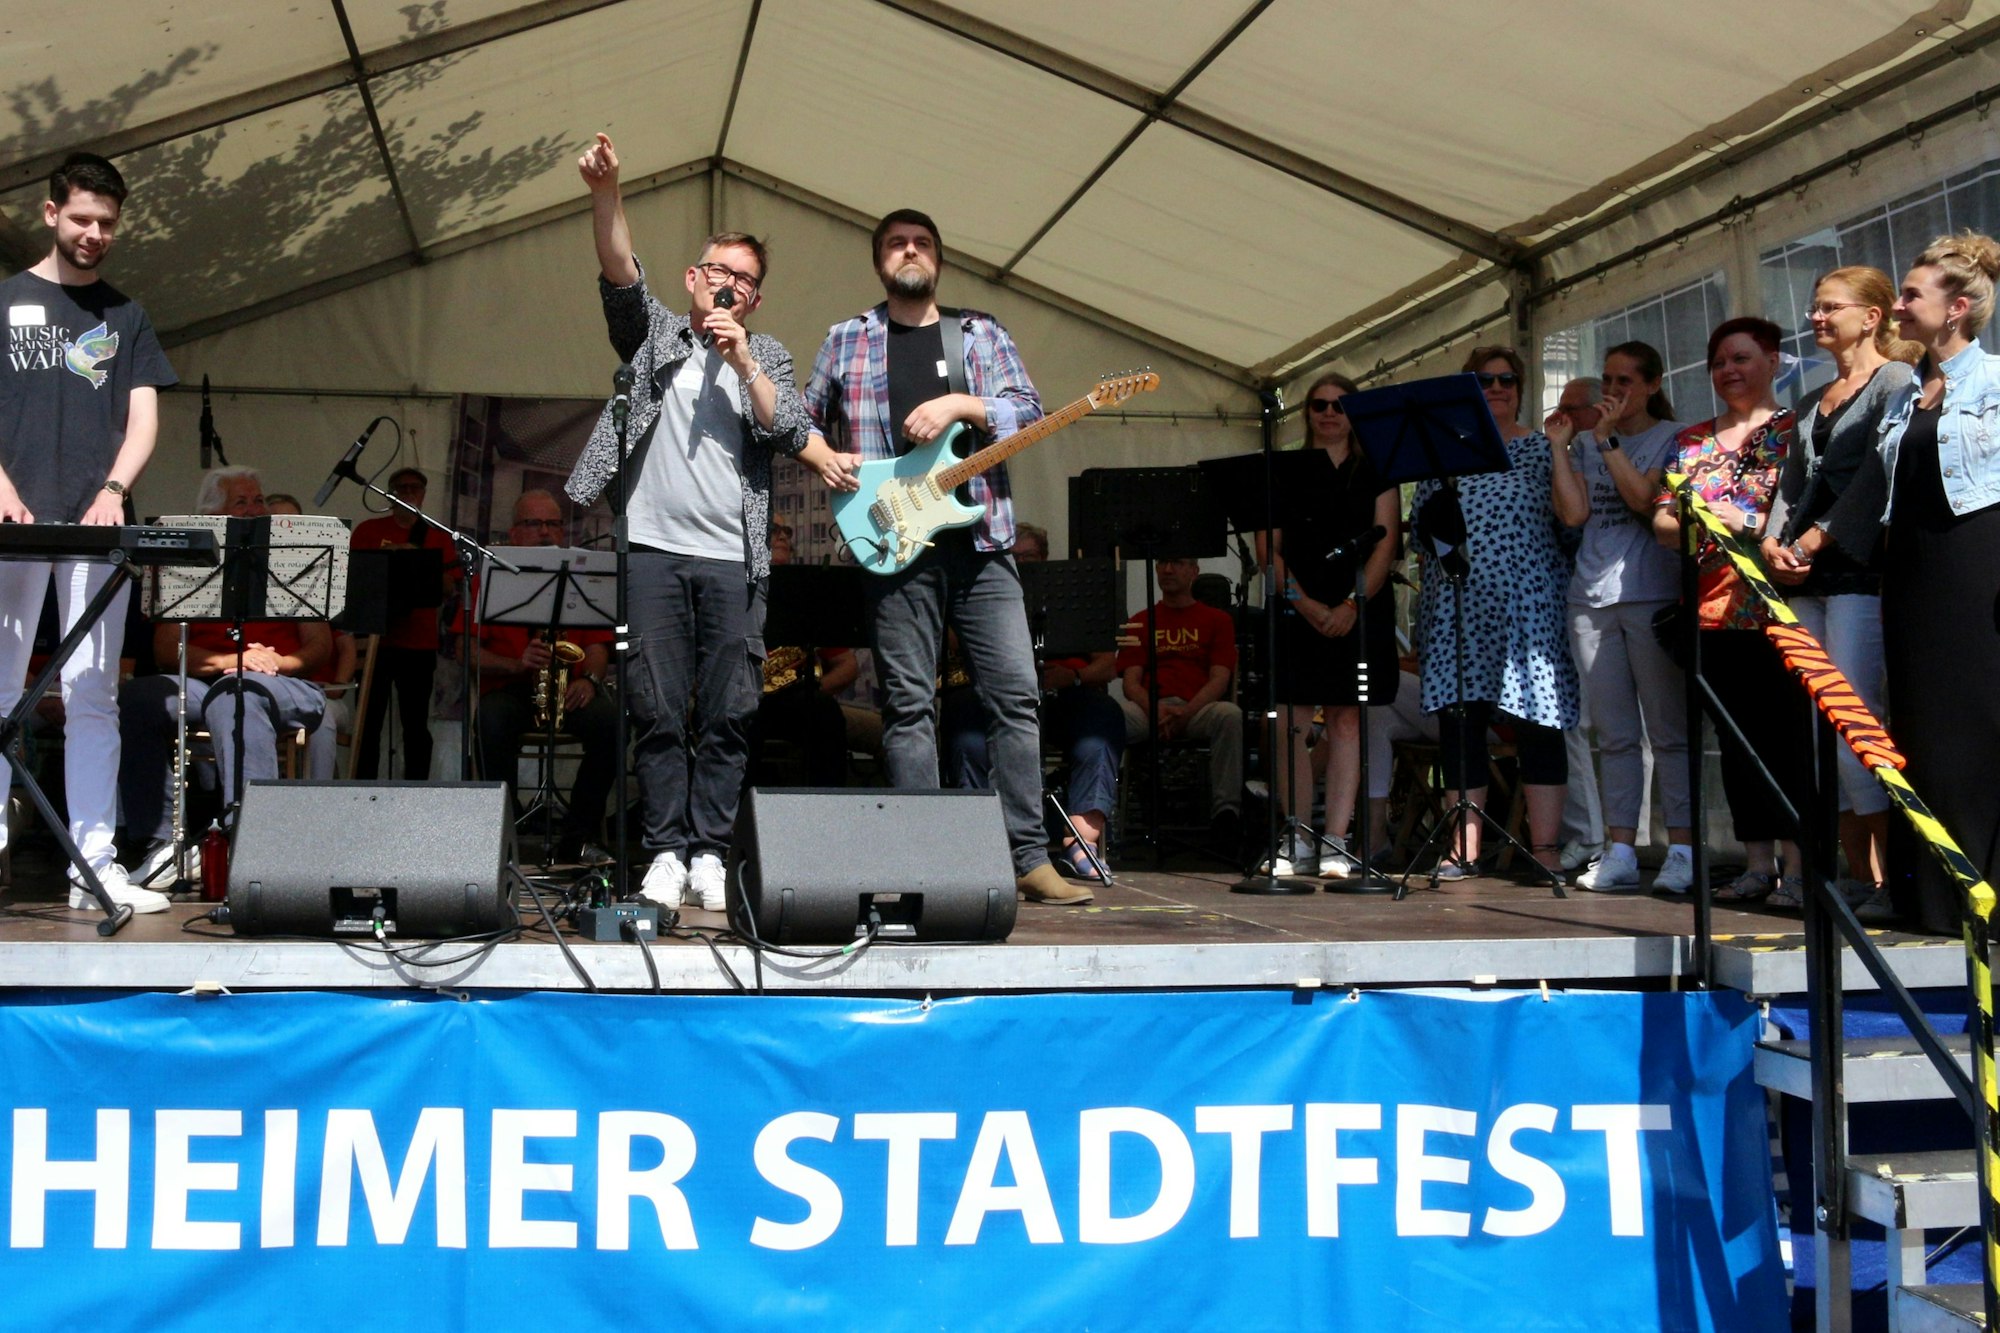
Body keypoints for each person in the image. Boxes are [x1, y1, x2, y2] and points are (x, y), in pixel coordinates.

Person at [567, 132, 831, 913]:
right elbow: (620, 269)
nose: (728, 285)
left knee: (729, 710)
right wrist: (605, 193)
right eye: (718, 270)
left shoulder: (769, 354)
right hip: (651, 551)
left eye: (744, 280)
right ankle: (664, 850)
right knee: (653, 705)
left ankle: (711, 849)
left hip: (733, 559)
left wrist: (744, 358)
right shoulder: (655, 335)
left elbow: (788, 430)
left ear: (755, 299)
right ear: (693, 278)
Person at [803, 208, 1085, 907]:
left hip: (983, 540)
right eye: (897, 243)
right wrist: (826, 458)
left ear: (938, 260)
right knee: (908, 706)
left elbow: (1029, 410)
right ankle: (920, 854)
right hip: (894, 541)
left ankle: (1028, 855)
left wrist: (960, 403)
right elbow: (801, 420)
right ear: (879, 262)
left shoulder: (981, 333)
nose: (910, 251)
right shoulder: (846, 339)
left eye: (922, 243)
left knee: (1015, 696)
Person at [0, 152, 176, 914]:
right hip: (12, 525)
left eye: (107, 223)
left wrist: (114, 490)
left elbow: (144, 417)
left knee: (92, 693)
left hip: (96, 527)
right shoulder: (5, 302)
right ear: (50, 214)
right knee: (3, 688)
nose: (94, 233)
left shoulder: (126, 314)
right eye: (81, 219)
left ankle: (94, 863)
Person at [1762, 267, 1918, 920]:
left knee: (1859, 717)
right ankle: (1859, 874)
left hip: (1855, 575)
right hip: (1806, 582)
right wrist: (1773, 543)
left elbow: (1879, 477)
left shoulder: (1894, 382)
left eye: (1830, 307)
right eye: (1815, 307)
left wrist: (1816, 541)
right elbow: (1790, 484)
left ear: (1872, 315)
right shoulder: (1812, 401)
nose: (1816, 317)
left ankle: (1891, 876)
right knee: (1823, 727)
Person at [1651, 317, 1805, 902]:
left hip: (1778, 609)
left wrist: (1727, 523)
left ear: (1772, 361)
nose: (1728, 371)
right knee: (1737, 740)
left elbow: (1791, 514)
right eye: (1718, 362)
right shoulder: (1691, 441)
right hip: (1710, 612)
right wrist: (1719, 527)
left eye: (1740, 358)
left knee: (1785, 737)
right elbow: (1665, 522)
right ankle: (1756, 863)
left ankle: (1797, 866)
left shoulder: (1795, 430)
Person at [1408, 346, 1576, 879]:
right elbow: (1422, 538)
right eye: (1485, 380)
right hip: (1458, 607)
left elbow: (1572, 517)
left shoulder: (1540, 448)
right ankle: (1464, 850)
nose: (1497, 387)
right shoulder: (1444, 455)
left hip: (1528, 606)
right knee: (1462, 725)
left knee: (1537, 723)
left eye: (1507, 379)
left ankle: (1545, 851)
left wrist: (1560, 448)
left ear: (1521, 388)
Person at [121, 469, 331, 883]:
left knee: (239, 695)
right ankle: (160, 843)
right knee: (141, 698)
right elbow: (166, 650)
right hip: (210, 677)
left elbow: (319, 645)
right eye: (242, 502)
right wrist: (232, 661)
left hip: (280, 682)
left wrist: (271, 663)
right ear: (212, 513)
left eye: (259, 500)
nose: (256, 509)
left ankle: (252, 843)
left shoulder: (292, 555)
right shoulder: (189, 560)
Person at [1877, 231, 2000, 935]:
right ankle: (1934, 901)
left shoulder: (1996, 382)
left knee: (1984, 726)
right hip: (1913, 573)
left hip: (1978, 564)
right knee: (1922, 732)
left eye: (1911, 294)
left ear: (1955, 308)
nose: (1898, 304)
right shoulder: (1904, 395)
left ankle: (1989, 895)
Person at [1546, 342, 1696, 894]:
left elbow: (1643, 500)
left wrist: (1606, 441)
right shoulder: (1586, 442)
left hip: (1651, 593)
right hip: (1590, 597)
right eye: (1607, 380)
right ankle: (1621, 850)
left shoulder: (1673, 437)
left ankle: (1681, 849)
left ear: (1653, 384)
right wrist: (1562, 449)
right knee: (1613, 735)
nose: (1613, 390)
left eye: (1625, 381)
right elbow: (1574, 512)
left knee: (1669, 731)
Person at [1263, 373, 1399, 877]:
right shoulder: (1284, 468)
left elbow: (1387, 542)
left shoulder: (1376, 468)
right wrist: (1306, 604)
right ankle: (1296, 837)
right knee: (1293, 723)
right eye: (1319, 404)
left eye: (1339, 406)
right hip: (1299, 610)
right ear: (1307, 411)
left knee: (1346, 720)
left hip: (1358, 607)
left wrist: (1351, 604)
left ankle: (1336, 841)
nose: (1328, 413)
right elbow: (1267, 551)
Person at [942, 523, 1126, 883]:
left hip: (1065, 695)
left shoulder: (1069, 596)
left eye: (1029, 557)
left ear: (1045, 559)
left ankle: (1080, 839)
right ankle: (979, 840)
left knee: (1102, 721)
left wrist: (1072, 677)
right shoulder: (983, 592)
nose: (1022, 564)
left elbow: (1108, 663)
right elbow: (951, 643)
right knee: (963, 722)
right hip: (998, 697)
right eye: (1014, 557)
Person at [466, 490, 617, 863]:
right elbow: (465, 652)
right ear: (515, 532)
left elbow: (598, 646)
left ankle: (577, 839)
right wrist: (517, 663)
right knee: (489, 721)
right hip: (511, 686)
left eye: (553, 523)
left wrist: (590, 682)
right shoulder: (491, 572)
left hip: (570, 687)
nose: (546, 532)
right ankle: (505, 833)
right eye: (535, 524)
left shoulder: (582, 573)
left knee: (612, 725)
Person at [1116, 556, 1245, 835]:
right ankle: (1107, 812)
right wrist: (1157, 711)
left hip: (1197, 709)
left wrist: (1184, 713)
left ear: (1195, 572)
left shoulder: (1218, 620)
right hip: (1151, 709)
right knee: (1112, 718)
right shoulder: (1140, 621)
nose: (1169, 568)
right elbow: (1131, 684)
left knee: (1230, 715)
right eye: (1163, 563)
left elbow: (1220, 680)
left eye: (1179, 563)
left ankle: (1227, 813)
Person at [348, 465, 456, 780]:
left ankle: (417, 788)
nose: (408, 493)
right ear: (389, 494)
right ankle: (361, 786)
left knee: (416, 723)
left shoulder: (436, 534)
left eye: (414, 488)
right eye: (401, 488)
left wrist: (415, 560)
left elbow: (449, 586)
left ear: (422, 494)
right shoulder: (368, 531)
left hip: (418, 641)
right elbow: (353, 580)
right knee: (368, 721)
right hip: (373, 638)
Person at [1550, 377, 1609, 872]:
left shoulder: (1606, 449)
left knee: (1630, 731)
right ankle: (1589, 833)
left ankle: (1627, 839)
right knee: (1577, 721)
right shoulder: (1565, 453)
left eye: (1573, 409)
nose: (1563, 418)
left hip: (1623, 597)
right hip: (1575, 601)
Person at [751, 522, 858, 787]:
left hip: (793, 698)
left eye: (788, 531)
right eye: (775, 529)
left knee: (825, 713)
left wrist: (812, 686)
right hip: (746, 694)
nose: (783, 535)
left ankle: (827, 806)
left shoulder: (803, 592)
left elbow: (848, 665)